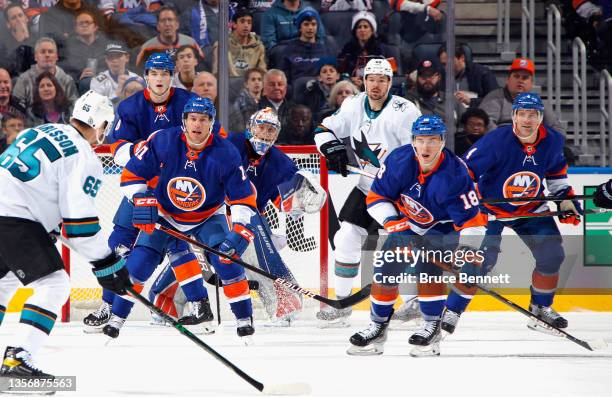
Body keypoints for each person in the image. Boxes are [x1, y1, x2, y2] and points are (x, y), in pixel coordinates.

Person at [148, 108, 327, 326]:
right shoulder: (228, 143)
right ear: (250, 128)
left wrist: (303, 197)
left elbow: (287, 204)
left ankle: (284, 304)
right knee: (190, 251)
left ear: (276, 135)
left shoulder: (281, 164)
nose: (264, 133)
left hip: (246, 217)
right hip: (211, 212)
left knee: (258, 251)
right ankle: (165, 302)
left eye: (270, 130)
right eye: (260, 127)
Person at [0, 90, 130, 379]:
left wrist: (102, 262)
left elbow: (61, 220)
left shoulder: (42, 129)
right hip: (14, 217)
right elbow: (79, 225)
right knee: (54, 284)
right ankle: (16, 362)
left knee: (5, 283)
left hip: (9, 209)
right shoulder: (84, 157)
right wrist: (107, 262)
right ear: (102, 125)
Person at [107, 96, 259, 341]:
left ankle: (244, 320)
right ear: (184, 121)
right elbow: (132, 174)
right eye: (192, 119)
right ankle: (116, 319)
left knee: (226, 261)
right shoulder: (164, 141)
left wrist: (240, 227)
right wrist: (140, 197)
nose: (197, 125)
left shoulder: (227, 153)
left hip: (208, 216)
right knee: (139, 264)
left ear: (211, 123)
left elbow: (242, 198)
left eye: (203, 120)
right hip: (166, 216)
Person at [441, 93, 582, 336]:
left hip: (530, 207)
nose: (527, 120)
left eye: (533, 115)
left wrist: (565, 201)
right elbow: (464, 172)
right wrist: (469, 203)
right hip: (490, 209)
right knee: (478, 263)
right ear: (514, 116)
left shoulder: (552, 141)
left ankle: (541, 308)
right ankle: (451, 310)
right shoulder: (496, 140)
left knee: (552, 255)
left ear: (540, 118)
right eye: (522, 114)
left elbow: (556, 175)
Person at [347, 114, 488, 357]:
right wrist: (394, 222)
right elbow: (377, 198)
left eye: (432, 140)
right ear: (413, 140)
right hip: (409, 224)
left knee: (428, 270)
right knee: (386, 267)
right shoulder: (399, 160)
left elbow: (473, 222)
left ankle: (431, 326)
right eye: (421, 140)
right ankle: (378, 326)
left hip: (444, 227)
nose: (426, 147)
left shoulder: (456, 175)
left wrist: (465, 251)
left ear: (442, 141)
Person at [82, 52, 195, 333]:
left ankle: (194, 304)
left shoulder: (187, 103)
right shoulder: (131, 106)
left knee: (175, 247)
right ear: (145, 77)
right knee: (118, 242)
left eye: (165, 74)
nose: (159, 79)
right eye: (154, 74)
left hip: (176, 188)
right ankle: (108, 306)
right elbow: (118, 148)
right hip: (141, 185)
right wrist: (143, 154)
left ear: (172, 77)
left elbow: (205, 135)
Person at [314, 58, 421, 327]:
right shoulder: (352, 105)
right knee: (347, 237)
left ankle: (412, 304)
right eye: (371, 78)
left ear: (390, 82)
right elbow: (323, 130)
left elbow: (420, 150)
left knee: (397, 246)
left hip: (397, 192)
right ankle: (341, 304)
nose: (376, 84)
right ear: (363, 80)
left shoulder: (405, 110)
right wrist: (332, 148)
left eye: (382, 79)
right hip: (366, 187)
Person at [479, 58, 565, 133]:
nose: (520, 80)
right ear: (508, 80)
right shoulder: (495, 97)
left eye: (525, 78)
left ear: (531, 84)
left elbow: (557, 128)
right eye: (516, 76)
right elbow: (486, 122)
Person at [13, 37, 79, 111]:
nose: (47, 55)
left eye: (50, 52)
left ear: (56, 56)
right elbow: (16, 108)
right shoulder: (24, 80)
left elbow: (75, 108)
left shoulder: (67, 80)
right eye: (43, 52)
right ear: (35, 57)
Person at [136, 6, 204, 67]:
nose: (167, 24)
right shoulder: (147, 48)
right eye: (163, 21)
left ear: (177, 24)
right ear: (158, 26)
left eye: (170, 20)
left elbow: (202, 67)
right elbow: (138, 72)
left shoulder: (190, 43)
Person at [404, 59, 464, 125]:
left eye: (431, 76)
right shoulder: (408, 101)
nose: (427, 80)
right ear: (417, 78)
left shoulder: (451, 99)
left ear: (439, 77)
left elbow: (466, 123)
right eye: (423, 77)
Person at [280, 7, 331, 83]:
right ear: (300, 27)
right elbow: (283, 78)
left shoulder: (325, 50)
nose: (310, 28)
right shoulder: (289, 49)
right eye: (306, 24)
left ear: (317, 27)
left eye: (313, 24)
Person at [212, 7, 267, 77]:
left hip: (249, 85)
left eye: (249, 22)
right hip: (228, 85)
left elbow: (262, 73)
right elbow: (216, 74)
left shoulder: (258, 47)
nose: (246, 25)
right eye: (242, 21)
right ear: (234, 24)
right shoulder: (222, 45)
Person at [338, 11, 390, 78]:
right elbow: (341, 73)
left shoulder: (382, 50)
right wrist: (351, 79)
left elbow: (391, 74)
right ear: (355, 31)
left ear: (372, 30)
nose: (362, 30)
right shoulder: (347, 50)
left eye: (365, 27)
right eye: (359, 27)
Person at [261, 0, 326, 50]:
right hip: (283, 54)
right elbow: (269, 44)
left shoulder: (310, 10)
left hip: (308, 51)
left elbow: (321, 37)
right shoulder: (270, 14)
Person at [0, 3, 36, 76]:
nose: (18, 20)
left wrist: (26, 42)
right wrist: (20, 43)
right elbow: (9, 70)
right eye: (14, 18)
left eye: (20, 15)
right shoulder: (3, 46)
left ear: (26, 18)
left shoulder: (38, 39)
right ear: (8, 24)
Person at [229, 67, 264, 132]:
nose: (257, 82)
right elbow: (239, 128)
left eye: (259, 79)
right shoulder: (240, 102)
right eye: (253, 79)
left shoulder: (265, 101)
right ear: (246, 84)